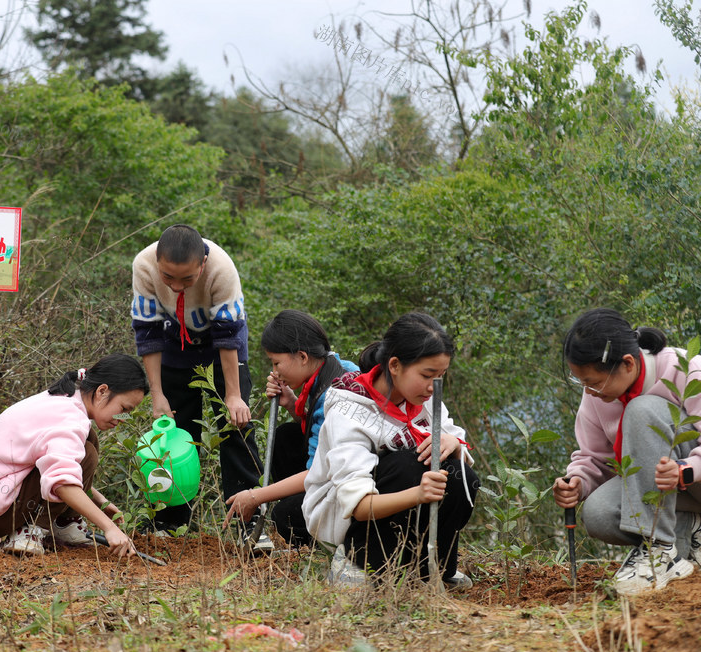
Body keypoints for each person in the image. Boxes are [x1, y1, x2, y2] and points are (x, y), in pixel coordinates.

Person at [303, 313, 479, 589]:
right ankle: (358, 563)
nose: (434, 387)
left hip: (402, 499)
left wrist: (453, 443)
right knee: (405, 466)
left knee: (461, 475)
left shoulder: (425, 399)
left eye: (441, 376)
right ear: (395, 365)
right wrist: (418, 494)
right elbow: (358, 506)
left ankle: (432, 569)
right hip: (344, 515)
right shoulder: (351, 410)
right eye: (427, 375)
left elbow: (455, 439)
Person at [131, 224, 266, 546]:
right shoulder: (144, 265)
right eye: (168, 277)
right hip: (174, 350)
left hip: (224, 356)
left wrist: (233, 395)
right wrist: (158, 395)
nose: (177, 287)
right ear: (158, 263)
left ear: (202, 265)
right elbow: (147, 333)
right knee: (174, 437)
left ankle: (250, 524)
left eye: (187, 279)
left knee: (235, 431)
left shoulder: (221, 267)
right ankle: (170, 523)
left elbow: (228, 334)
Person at [553, 308, 701, 595]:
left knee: (642, 409)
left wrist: (686, 468)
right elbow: (594, 457)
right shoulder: (597, 395)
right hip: (672, 491)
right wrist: (578, 482)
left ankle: (657, 551)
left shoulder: (686, 370)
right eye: (581, 382)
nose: (589, 391)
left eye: (593, 382)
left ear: (628, 363)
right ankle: (690, 538)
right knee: (599, 513)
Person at [0, 354, 147, 558]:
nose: (123, 418)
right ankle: (29, 531)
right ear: (102, 391)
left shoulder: (65, 401)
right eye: (123, 409)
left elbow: (52, 463)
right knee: (87, 452)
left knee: (87, 442)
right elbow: (62, 482)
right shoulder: (69, 419)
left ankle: (65, 523)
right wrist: (109, 527)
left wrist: (100, 501)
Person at [223, 310, 358, 547]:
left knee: (285, 516)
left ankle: (331, 542)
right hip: (338, 472)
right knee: (286, 437)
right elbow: (326, 433)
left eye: (277, 362)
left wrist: (255, 497)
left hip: (354, 487)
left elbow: (320, 470)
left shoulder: (336, 393)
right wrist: (291, 403)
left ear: (303, 357)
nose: (275, 371)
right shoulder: (339, 366)